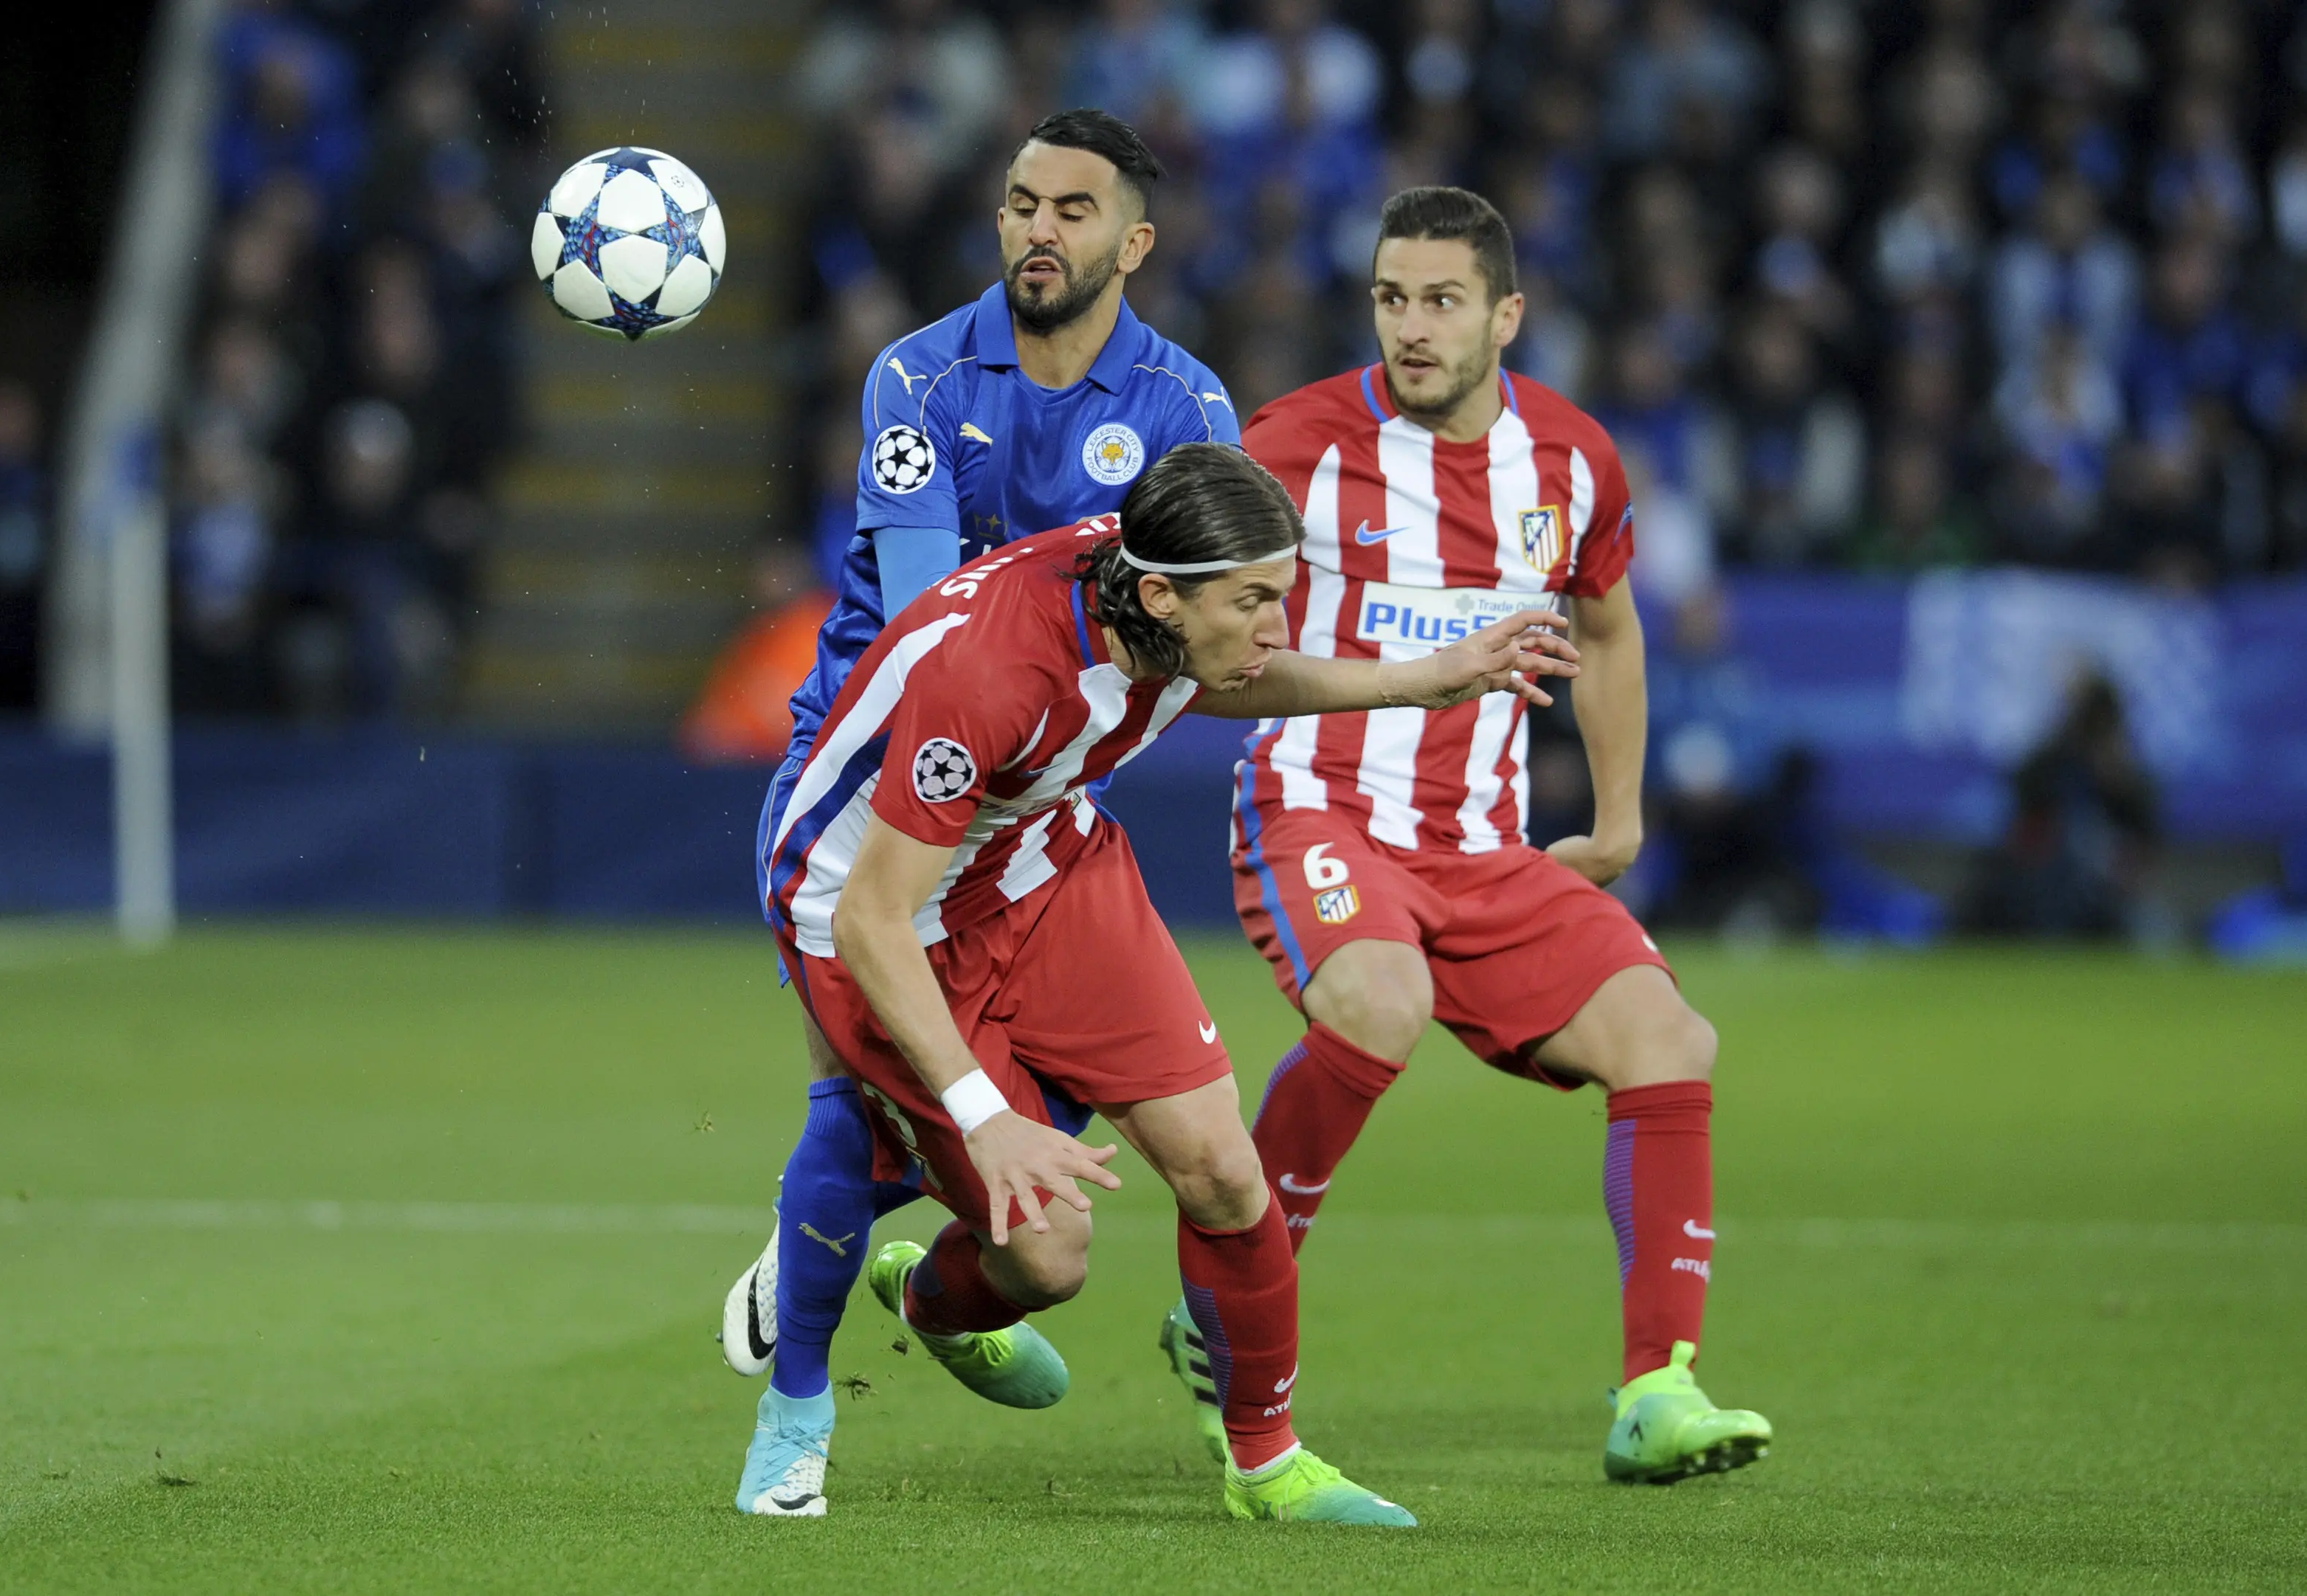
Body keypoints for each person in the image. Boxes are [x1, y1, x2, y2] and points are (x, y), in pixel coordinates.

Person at [756, 442, 1579, 1522]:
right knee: (1049, 1256)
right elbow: (869, 913)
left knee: (1226, 1175)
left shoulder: (1155, 606)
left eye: (1281, 594)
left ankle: (1267, 1464)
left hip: (1040, 861)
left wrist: (1424, 676)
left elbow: (1234, 672)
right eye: (1256, 600)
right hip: (874, 915)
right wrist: (980, 1115)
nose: (1276, 627)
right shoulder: (994, 672)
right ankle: (851, 1362)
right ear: (1158, 595)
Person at [1160, 187, 1771, 1486]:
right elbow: (1193, 641)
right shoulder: (1296, 445)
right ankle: (1230, 1291)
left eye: (1440, 301)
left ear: (1507, 314)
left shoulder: (1572, 460)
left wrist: (1615, 821)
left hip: (1482, 843)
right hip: (1317, 802)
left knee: (1670, 1038)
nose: (1410, 327)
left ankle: (1659, 1387)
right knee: (1381, 996)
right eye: (1390, 297)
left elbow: (1606, 627)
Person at [725, 109, 1244, 1516]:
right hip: (883, 778)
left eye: (1073, 211)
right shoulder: (918, 373)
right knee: (863, 1094)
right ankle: (796, 1412)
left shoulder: (1189, 411)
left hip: (1040, 800)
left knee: (1055, 1114)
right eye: (1021, 203)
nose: (1036, 230)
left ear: (1132, 242)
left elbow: (1202, 618)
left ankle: (893, 1241)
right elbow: (928, 627)